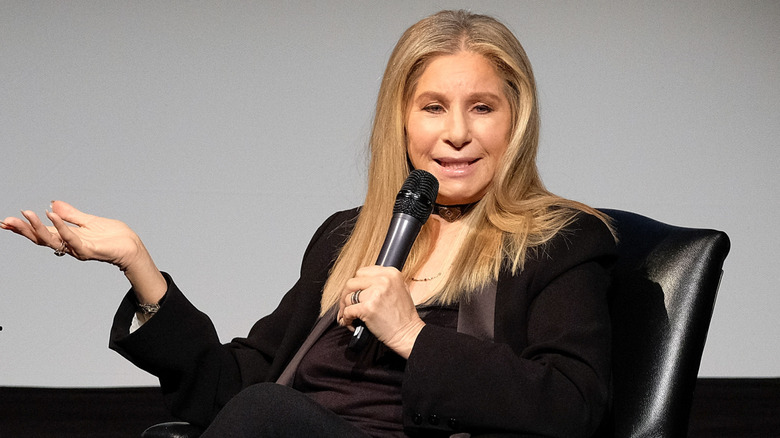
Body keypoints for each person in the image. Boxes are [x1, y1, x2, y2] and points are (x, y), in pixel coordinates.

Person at [1, 10, 616, 438]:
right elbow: (234, 388)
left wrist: (413, 335)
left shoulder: (555, 241)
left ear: (516, 121)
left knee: (268, 415)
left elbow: (573, 405)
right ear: (401, 123)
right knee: (262, 409)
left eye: (482, 108)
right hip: (284, 429)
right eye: (433, 108)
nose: (456, 132)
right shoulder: (348, 238)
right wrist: (139, 265)